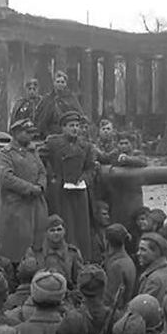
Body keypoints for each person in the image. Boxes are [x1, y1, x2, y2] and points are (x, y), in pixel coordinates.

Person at [0, 118, 48, 263]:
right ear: (16, 133)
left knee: (37, 238)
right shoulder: (5, 153)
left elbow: (42, 172)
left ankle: (34, 265)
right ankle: (13, 266)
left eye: (31, 133)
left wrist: (40, 186)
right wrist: (30, 188)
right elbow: (6, 177)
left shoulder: (33, 151)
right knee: (15, 241)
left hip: (35, 202)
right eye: (26, 132)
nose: (30, 136)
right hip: (14, 204)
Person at [39, 110, 98, 259]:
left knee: (81, 228)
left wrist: (84, 179)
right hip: (60, 192)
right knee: (64, 225)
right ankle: (61, 258)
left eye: (77, 125)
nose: (75, 129)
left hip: (79, 193)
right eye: (71, 125)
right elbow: (40, 159)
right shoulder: (53, 143)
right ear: (63, 127)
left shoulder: (86, 146)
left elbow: (91, 168)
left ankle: (82, 259)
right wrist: (51, 177)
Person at [35, 71, 84, 138]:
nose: (60, 84)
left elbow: (79, 114)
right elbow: (41, 117)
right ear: (54, 83)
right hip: (50, 133)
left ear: (66, 84)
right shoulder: (47, 99)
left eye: (62, 82)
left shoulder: (71, 98)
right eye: (58, 82)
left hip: (68, 132)